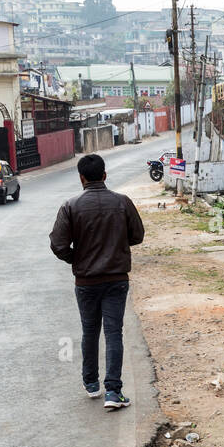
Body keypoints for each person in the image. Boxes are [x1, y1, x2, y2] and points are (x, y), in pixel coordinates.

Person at [49, 153, 145, 409]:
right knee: (114, 333)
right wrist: (117, 245)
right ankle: (113, 392)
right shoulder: (122, 202)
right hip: (116, 279)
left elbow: (58, 245)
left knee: (90, 331)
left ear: (81, 178)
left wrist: (77, 259)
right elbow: (137, 236)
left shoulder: (70, 206)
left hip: (86, 282)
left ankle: (91, 384)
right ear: (104, 175)